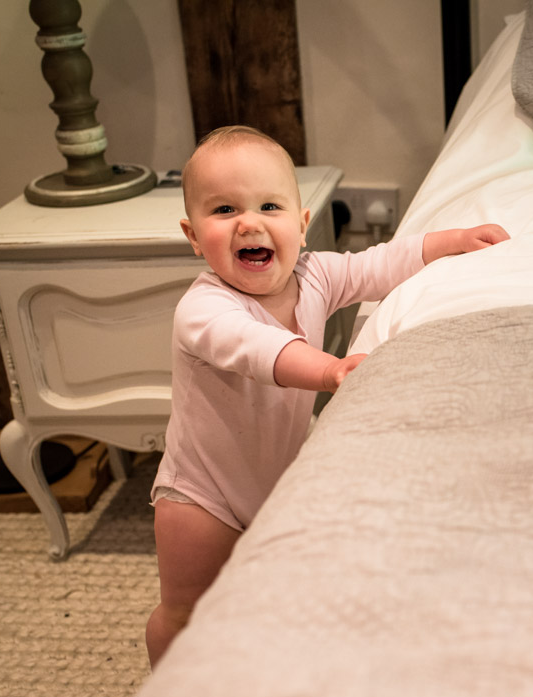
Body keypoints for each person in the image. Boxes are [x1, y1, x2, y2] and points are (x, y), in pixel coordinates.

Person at [146, 125, 509, 666]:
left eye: (269, 206)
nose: (249, 222)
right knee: (186, 612)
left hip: (278, 479)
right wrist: (330, 371)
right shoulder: (203, 310)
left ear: (302, 224)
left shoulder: (314, 275)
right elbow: (259, 349)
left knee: (268, 601)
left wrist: (448, 244)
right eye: (223, 211)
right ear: (194, 236)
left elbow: (377, 265)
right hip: (203, 496)